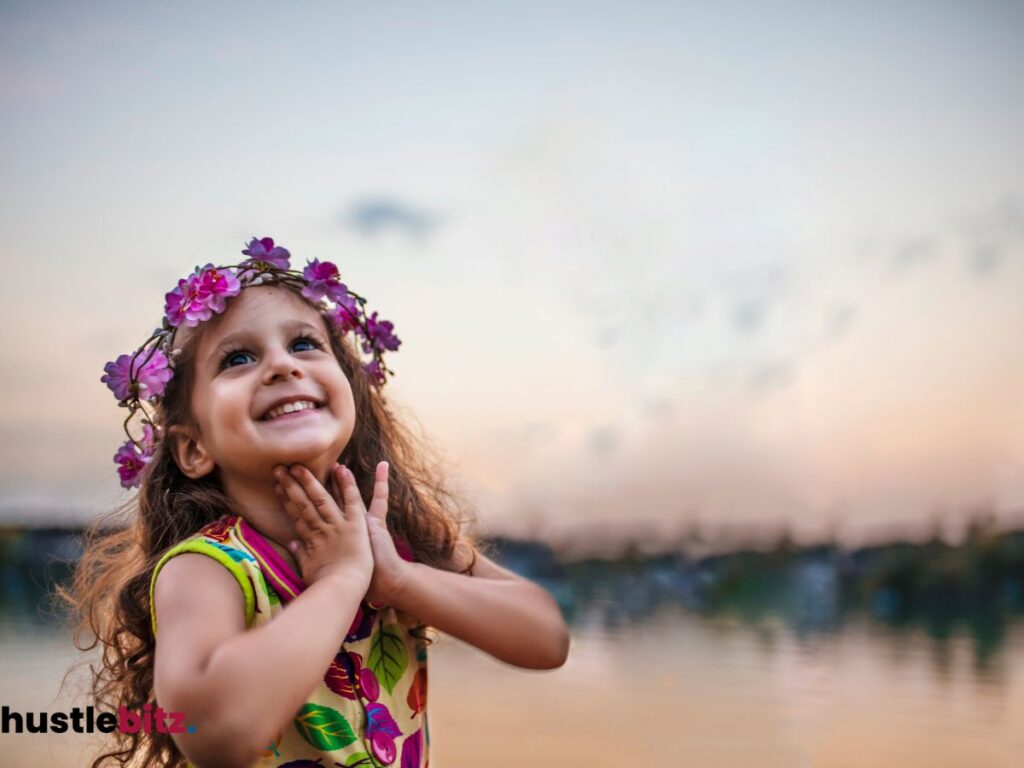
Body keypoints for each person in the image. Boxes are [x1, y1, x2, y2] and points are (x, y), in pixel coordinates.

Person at [58, 236, 571, 768]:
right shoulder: (207, 568)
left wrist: (398, 580)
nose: (281, 366)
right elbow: (213, 732)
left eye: (304, 344)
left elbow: (547, 637)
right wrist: (340, 583)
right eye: (238, 358)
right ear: (193, 447)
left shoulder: (391, 537)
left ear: (349, 389)